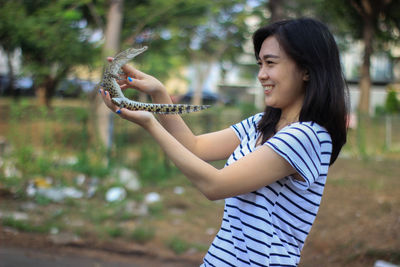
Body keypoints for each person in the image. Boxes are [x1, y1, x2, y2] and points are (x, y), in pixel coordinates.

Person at [100, 17, 348, 267]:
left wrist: (150, 122)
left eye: (271, 63)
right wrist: (159, 93)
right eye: (260, 64)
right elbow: (195, 147)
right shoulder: (262, 123)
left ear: (306, 69)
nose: (262, 75)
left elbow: (214, 185)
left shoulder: (306, 136)